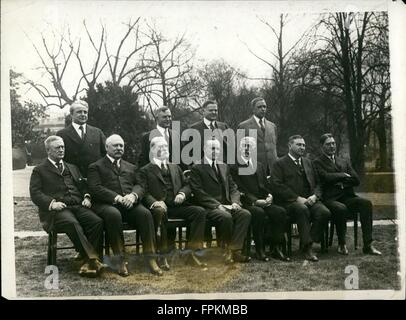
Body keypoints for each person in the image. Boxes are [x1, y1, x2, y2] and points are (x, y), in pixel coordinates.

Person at [29, 136, 105, 277]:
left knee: (96, 221)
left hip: (78, 206)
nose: (61, 149)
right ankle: (93, 259)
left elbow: (83, 186)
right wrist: (52, 203)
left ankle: (89, 262)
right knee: (72, 223)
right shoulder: (39, 170)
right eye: (57, 147)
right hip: (57, 211)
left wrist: (87, 197)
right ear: (48, 150)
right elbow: (35, 193)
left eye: (63, 146)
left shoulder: (72, 167)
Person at [87, 134, 161, 276]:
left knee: (145, 214)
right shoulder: (95, 167)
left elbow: (141, 185)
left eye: (121, 145)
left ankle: (151, 258)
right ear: (106, 147)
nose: (119, 148)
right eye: (115, 145)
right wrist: (117, 198)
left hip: (129, 204)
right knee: (113, 215)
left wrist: (133, 196)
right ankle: (120, 260)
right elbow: (95, 188)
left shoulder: (131, 167)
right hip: (106, 205)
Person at [137, 137, 208, 270]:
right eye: (160, 147)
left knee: (199, 212)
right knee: (160, 212)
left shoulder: (175, 167)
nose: (164, 149)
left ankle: (191, 254)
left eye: (165, 146)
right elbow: (143, 192)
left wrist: (182, 193)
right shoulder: (145, 170)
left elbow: (187, 185)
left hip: (176, 206)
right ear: (152, 150)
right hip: (158, 207)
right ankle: (162, 256)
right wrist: (155, 202)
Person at [313, 133, 381, 256]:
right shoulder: (317, 162)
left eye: (333, 143)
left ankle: (368, 245)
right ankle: (342, 244)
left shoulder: (343, 160)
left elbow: (356, 179)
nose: (332, 146)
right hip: (330, 199)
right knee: (341, 208)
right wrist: (343, 175)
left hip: (347, 196)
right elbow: (325, 177)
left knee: (366, 204)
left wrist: (343, 184)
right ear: (322, 146)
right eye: (328, 144)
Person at [190, 139, 251, 264]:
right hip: (208, 207)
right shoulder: (197, 167)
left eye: (217, 149)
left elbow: (233, 187)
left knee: (245, 214)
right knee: (226, 217)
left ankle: (235, 251)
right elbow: (198, 192)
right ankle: (225, 252)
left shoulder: (223, 166)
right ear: (204, 149)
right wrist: (217, 205)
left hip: (227, 205)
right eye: (212, 148)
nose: (215, 151)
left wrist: (235, 202)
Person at [270, 135, 331, 262]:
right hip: (289, 202)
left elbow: (319, 183)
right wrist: (296, 198)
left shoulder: (308, 162)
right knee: (302, 209)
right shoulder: (279, 163)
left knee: (324, 212)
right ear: (290, 146)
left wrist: (315, 196)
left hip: (310, 199)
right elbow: (277, 186)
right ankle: (308, 248)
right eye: (298, 145)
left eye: (303, 145)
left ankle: (308, 241)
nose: (302, 147)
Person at [231, 137, 289, 262]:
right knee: (258, 213)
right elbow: (238, 188)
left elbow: (266, 185)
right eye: (245, 146)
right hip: (246, 202)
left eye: (250, 147)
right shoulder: (234, 166)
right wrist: (255, 201)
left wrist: (269, 195)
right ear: (240, 148)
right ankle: (259, 249)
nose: (247, 149)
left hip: (263, 201)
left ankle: (276, 248)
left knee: (280, 212)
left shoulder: (259, 165)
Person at [57, 100, 106, 177]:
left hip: (95, 178)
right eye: (79, 112)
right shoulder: (62, 134)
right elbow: (58, 159)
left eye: (85, 112)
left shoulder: (97, 132)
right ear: (71, 114)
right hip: (72, 179)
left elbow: (106, 154)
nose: (83, 114)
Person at [237, 97, 278, 174]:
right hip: (254, 170)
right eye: (259, 107)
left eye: (264, 106)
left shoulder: (272, 126)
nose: (263, 109)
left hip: (272, 169)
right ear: (253, 109)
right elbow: (239, 151)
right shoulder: (243, 126)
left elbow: (274, 146)